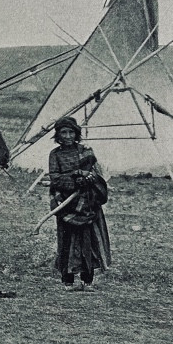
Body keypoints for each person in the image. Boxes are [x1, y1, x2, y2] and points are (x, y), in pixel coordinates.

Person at [48, 116, 111, 289]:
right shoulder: (55, 154)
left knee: (88, 240)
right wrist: (75, 180)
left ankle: (87, 279)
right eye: (64, 133)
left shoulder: (86, 151)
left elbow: (96, 173)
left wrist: (88, 180)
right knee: (67, 240)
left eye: (71, 132)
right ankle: (67, 280)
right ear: (58, 135)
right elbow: (55, 178)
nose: (68, 136)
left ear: (76, 133)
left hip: (87, 201)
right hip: (65, 201)